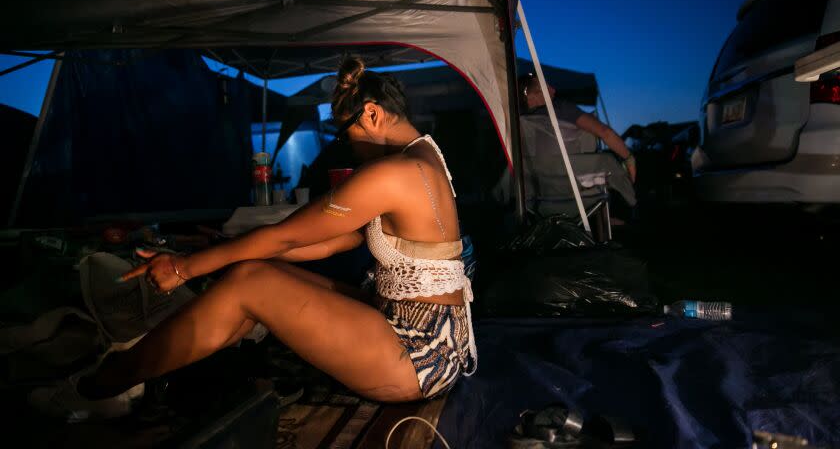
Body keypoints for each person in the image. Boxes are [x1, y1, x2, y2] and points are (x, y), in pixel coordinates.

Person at [30, 57, 476, 419]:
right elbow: (336, 241)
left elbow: (282, 237)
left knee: (250, 282)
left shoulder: (392, 172)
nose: (348, 146)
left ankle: (97, 386)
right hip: (430, 334)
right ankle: (144, 370)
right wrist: (208, 251)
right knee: (255, 273)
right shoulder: (425, 157)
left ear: (373, 114)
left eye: (347, 132)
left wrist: (184, 268)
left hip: (421, 355)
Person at [521, 74, 636, 183]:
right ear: (531, 95)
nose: (553, 90)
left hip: (539, 188)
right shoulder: (561, 109)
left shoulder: (518, 121)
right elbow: (605, 132)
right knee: (609, 161)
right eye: (546, 87)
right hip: (574, 186)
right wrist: (629, 158)